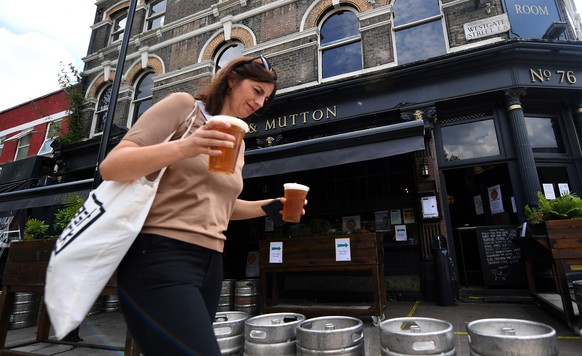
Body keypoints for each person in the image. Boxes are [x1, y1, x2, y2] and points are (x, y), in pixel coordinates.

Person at [99, 55, 298, 355]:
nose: (260, 104)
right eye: (257, 91)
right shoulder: (185, 108)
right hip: (160, 254)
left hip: (211, 264)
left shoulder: (239, 142)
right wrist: (185, 146)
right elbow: (112, 166)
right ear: (232, 80)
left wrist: (270, 206)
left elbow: (222, 205)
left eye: (266, 99)